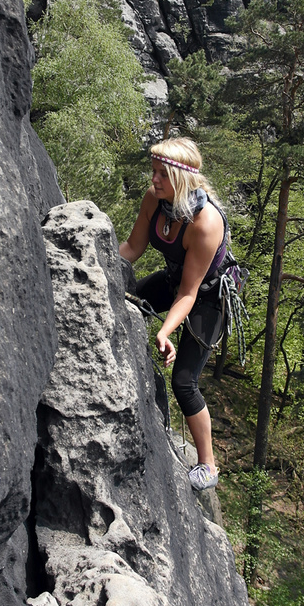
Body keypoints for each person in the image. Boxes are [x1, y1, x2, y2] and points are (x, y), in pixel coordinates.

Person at [119, 138, 229, 490]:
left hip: (208, 298)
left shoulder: (205, 223)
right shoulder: (155, 199)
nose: (153, 180)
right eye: (153, 172)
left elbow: (189, 293)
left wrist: (165, 332)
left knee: (184, 380)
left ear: (181, 179)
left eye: (161, 175)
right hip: (175, 279)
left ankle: (208, 465)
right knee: (127, 298)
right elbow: (133, 248)